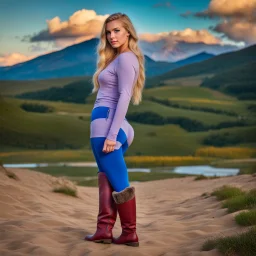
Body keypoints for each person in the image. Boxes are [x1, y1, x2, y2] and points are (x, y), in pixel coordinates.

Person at [84, 12, 145, 247]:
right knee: (107, 177)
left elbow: (124, 96)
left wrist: (111, 135)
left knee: (119, 181)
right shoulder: (118, 58)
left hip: (107, 126)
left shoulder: (126, 58)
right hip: (111, 125)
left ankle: (129, 233)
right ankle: (104, 230)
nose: (111, 36)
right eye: (108, 32)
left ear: (128, 31)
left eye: (117, 30)